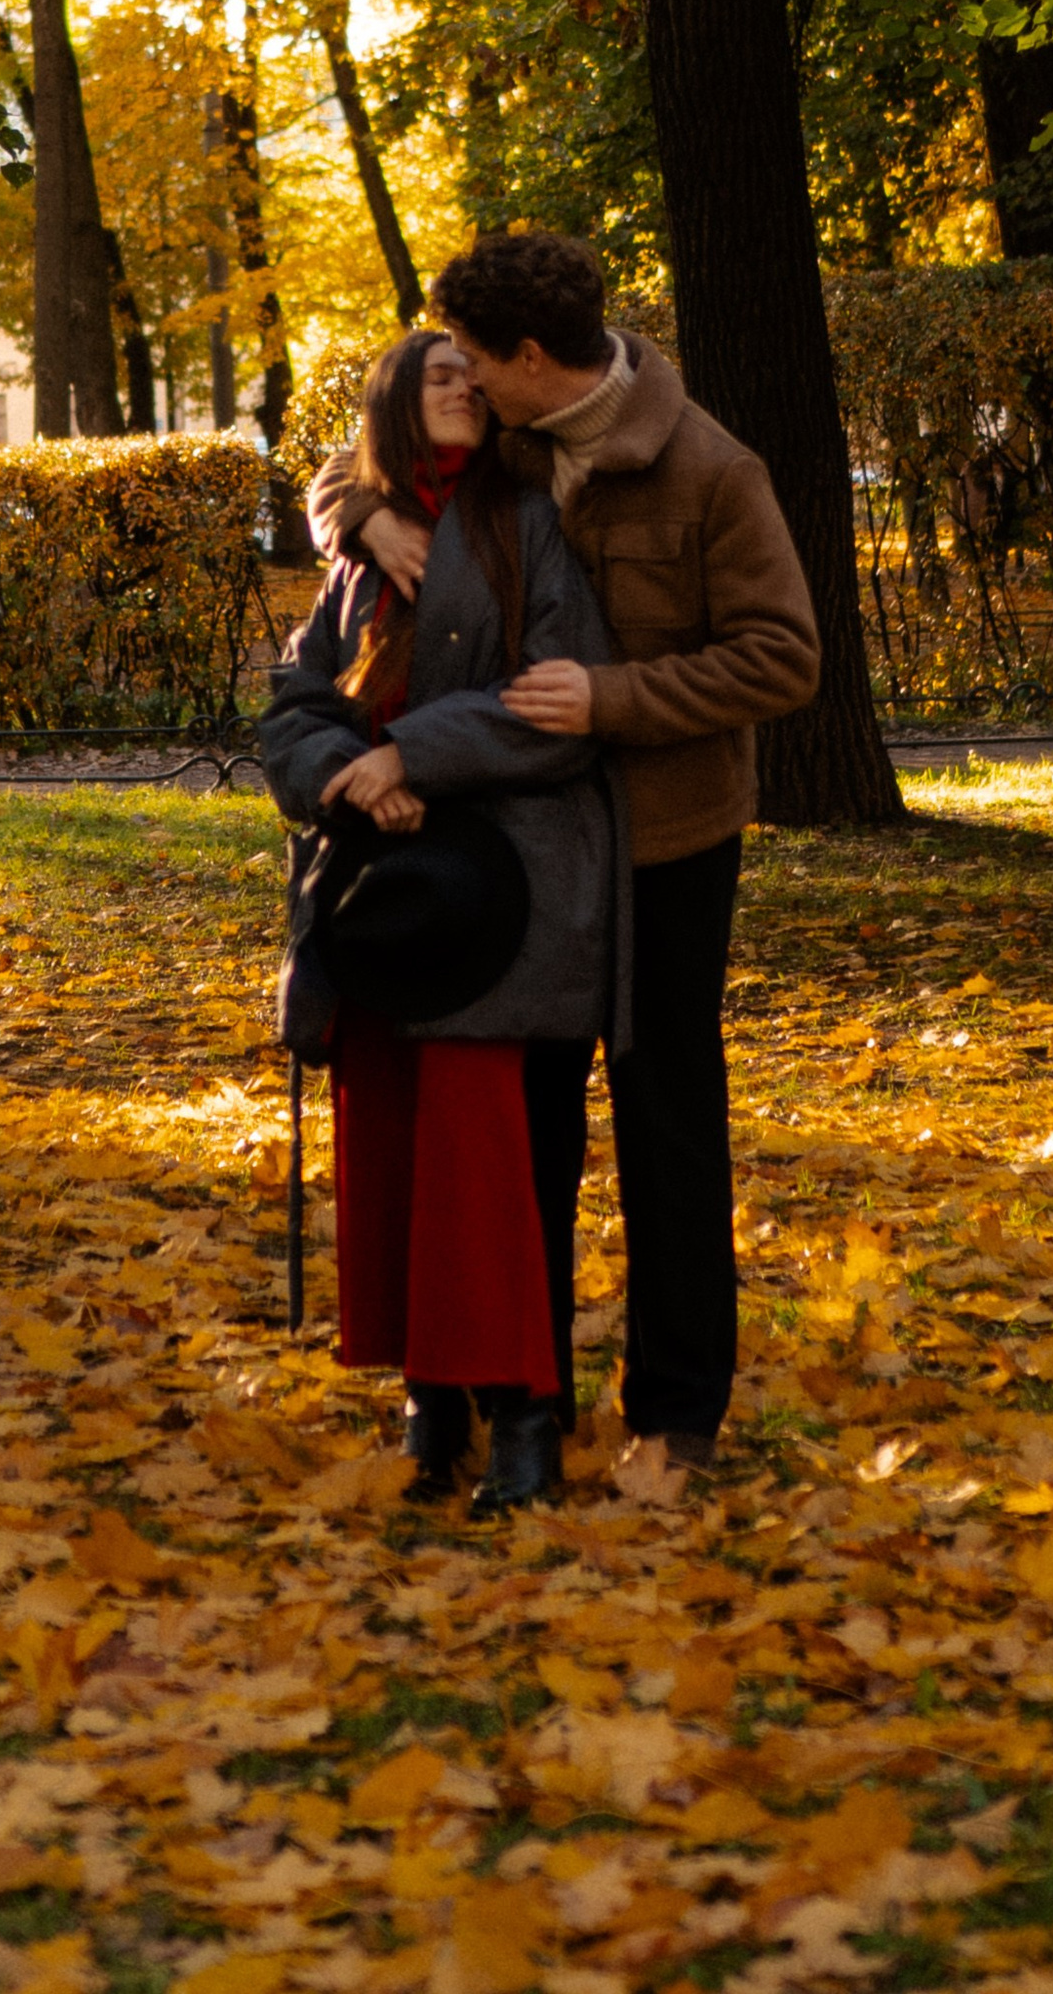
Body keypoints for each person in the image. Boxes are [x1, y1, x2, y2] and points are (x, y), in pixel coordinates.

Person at [309, 230, 820, 1482]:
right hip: (521, 845)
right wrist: (365, 518)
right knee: (524, 1126)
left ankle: (676, 1422)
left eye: (477, 360)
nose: (465, 380)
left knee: (668, 1127)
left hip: (665, 845)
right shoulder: (512, 434)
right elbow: (350, 459)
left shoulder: (711, 470)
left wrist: (611, 698)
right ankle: (522, 1404)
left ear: (532, 358)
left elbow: (782, 657)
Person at [264, 327, 623, 1511]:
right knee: (392, 1157)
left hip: (498, 900)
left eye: (474, 374)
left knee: (478, 1169)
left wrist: (410, 754)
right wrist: (345, 772)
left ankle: (521, 1417)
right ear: (395, 402)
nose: (463, 386)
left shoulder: (529, 521)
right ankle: (431, 1404)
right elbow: (296, 701)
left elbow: (554, 699)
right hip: (380, 900)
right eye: (438, 377)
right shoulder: (363, 553)